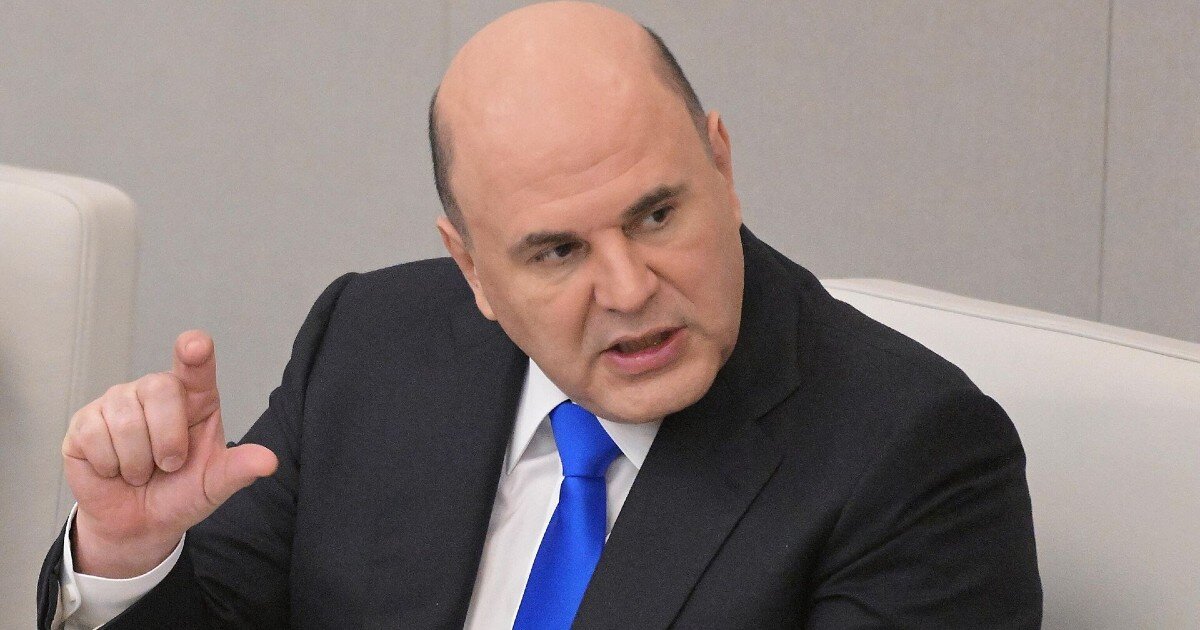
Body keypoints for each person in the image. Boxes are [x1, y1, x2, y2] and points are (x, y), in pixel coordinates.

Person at [38, 2, 1041, 628]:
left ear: (722, 165)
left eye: (657, 215)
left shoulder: (914, 454)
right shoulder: (371, 343)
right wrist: (129, 558)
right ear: (471, 268)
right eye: (557, 252)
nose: (629, 288)